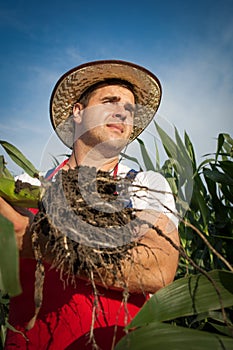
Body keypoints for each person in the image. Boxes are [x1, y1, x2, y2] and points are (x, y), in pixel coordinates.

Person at [1, 60, 179, 349]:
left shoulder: (146, 187)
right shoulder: (26, 186)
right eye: (110, 100)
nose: (123, 111)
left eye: (130, 109)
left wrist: (37, 241)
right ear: (78, 111)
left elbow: (159, 268)